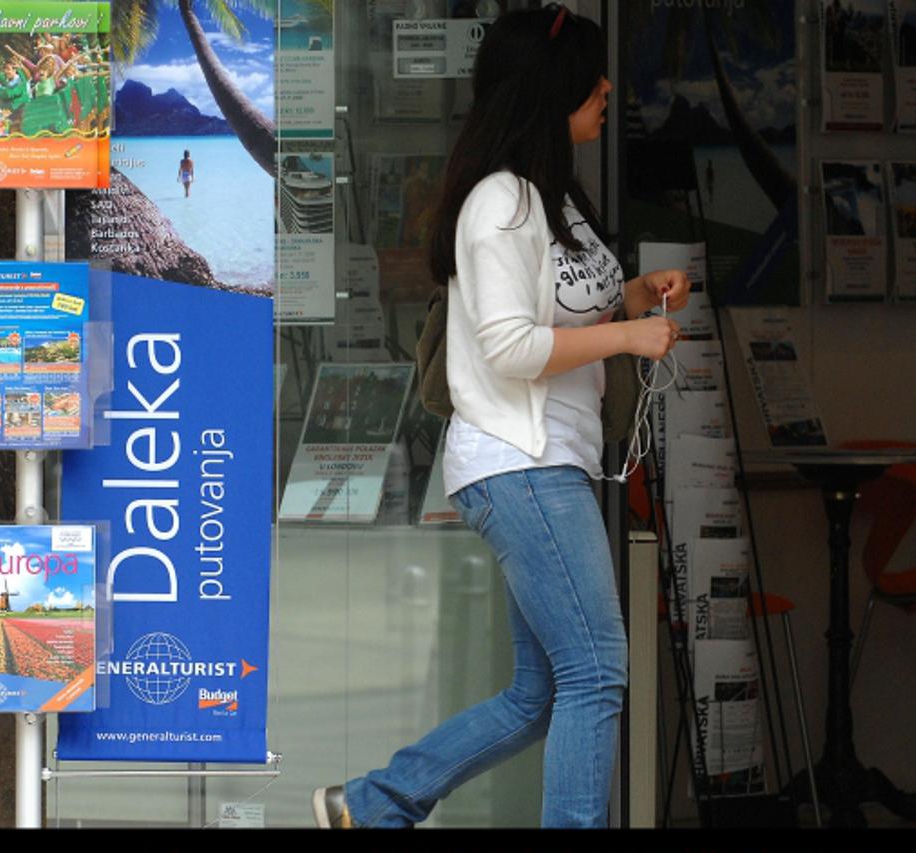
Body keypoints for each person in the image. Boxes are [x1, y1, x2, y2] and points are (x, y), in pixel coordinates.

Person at [312, 5, 689, 830]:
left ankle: (371, 805)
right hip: (521, 464)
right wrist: (630, 333)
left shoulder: (556, 200)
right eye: (591, 79)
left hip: (547, 462)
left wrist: (636, 295)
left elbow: (570, 317)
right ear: (551, 90)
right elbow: (513, 347)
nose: (606, 89)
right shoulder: (501, 205)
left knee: (541, 689)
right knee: (596, 672)